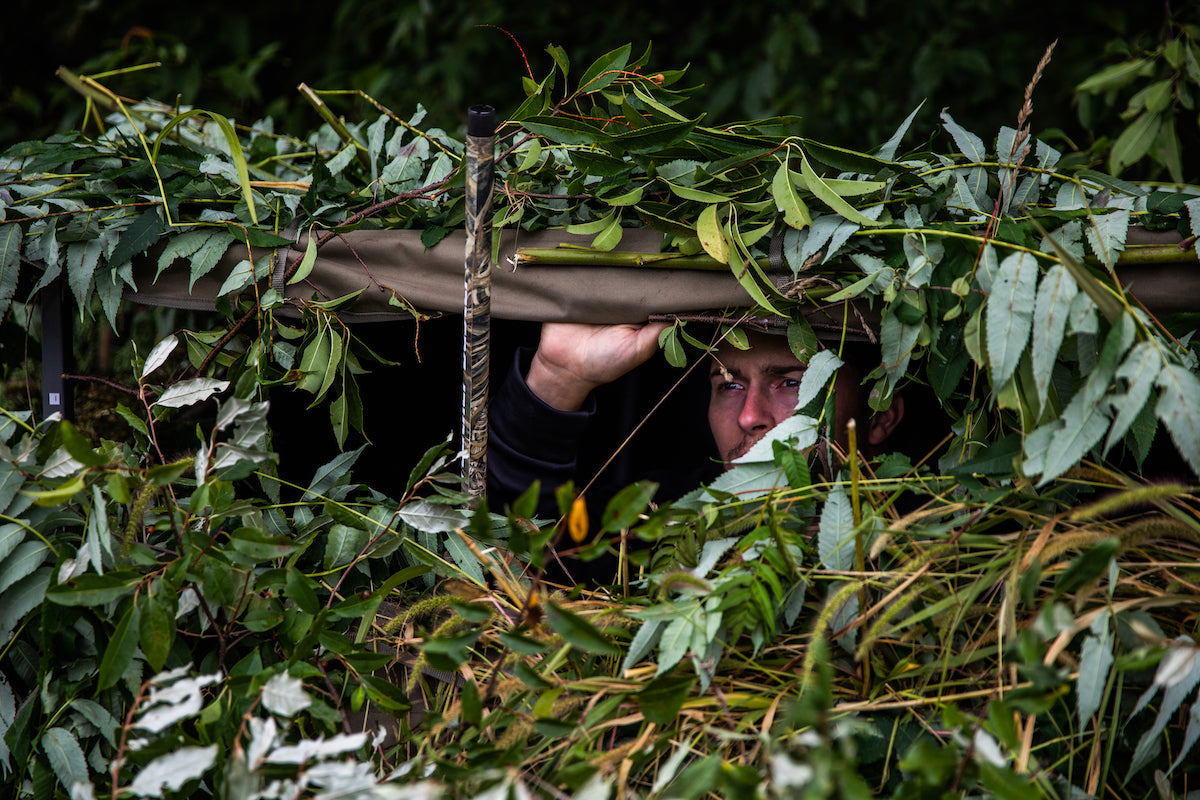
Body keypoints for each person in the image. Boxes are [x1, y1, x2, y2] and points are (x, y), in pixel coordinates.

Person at [486, 318, 910, 580]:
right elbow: (514, 557)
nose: (748, 416)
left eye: (791, 383)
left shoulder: (936, 545)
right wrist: (559, 376)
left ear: (882, 413)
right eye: (730, 385)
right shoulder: (661, 522)